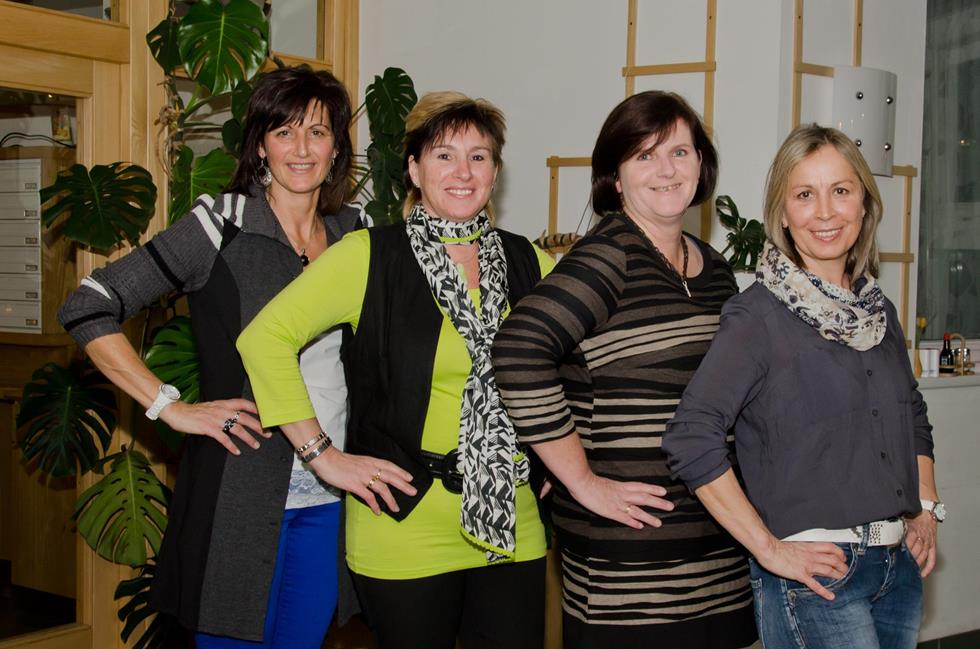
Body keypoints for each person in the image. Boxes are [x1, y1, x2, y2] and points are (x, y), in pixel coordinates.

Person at [57, 66, 402, 648]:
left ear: (336, 148)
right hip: (238, 491)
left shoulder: (358, 233)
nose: (301, 149)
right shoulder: (221, 225)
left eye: (317, 133)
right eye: (284, 132)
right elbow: (89, 305)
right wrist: (170, 407)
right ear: (260, 146)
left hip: (331, 491)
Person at [236, 91, 555, 649]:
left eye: (478, 157)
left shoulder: (531, 261)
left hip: (513, 517)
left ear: (495, 172)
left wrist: (565, 452)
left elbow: (578, 361)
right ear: (413, 169)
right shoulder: (369, 256)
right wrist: (323, 456)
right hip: (404, 521)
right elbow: (264, 339)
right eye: (443, 155)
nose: (462, 172)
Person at [491, 90, 757, 649]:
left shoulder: (714, 268)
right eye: (644, 155)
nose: (666, 170)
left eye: (679, 152)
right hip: (629, 560)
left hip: (717, 543)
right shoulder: (608, 256)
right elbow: (518, 351)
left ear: (701, 164)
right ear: (615, 177)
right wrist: (581, 481)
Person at [663, 124, 939, 649]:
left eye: (841, 190)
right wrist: (768, 549)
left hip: (898, 567)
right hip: (817, 578)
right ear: (784, 214)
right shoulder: (757, 316)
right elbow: (691, 436)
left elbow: (912, 413)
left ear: (864, 204)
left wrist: (927, 506)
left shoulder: (878, 312)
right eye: (805, 195)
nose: (826, 212)